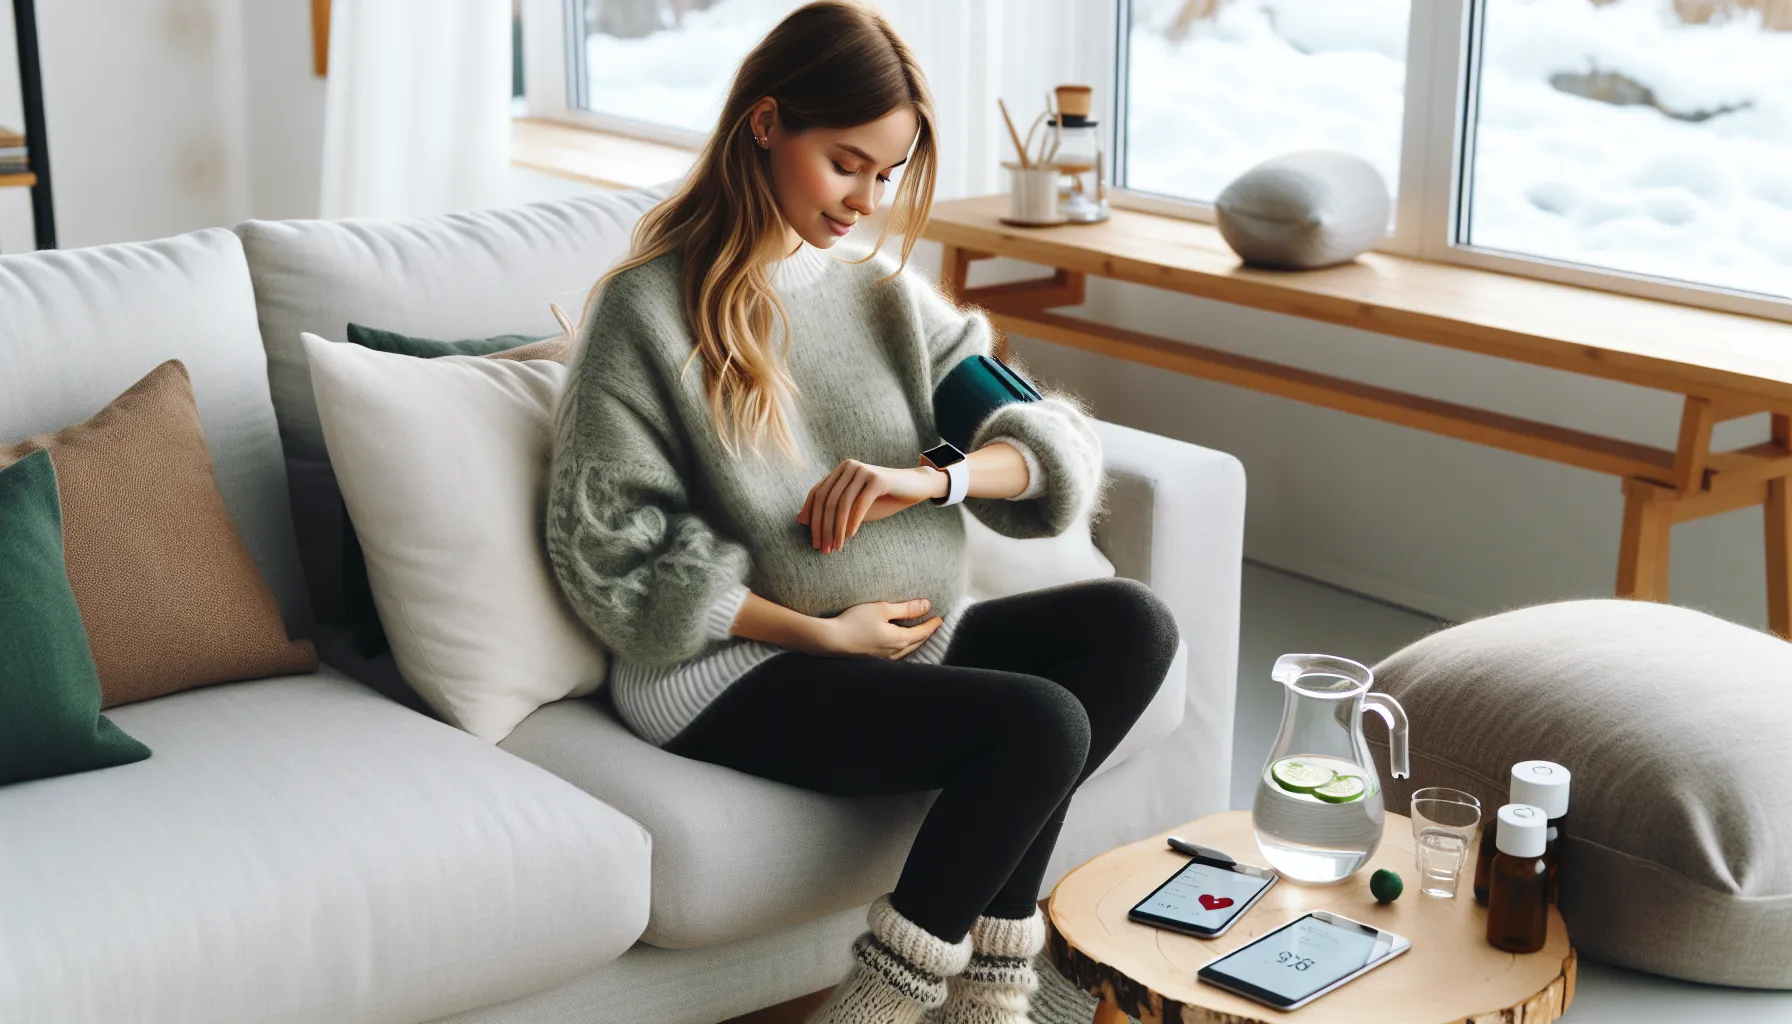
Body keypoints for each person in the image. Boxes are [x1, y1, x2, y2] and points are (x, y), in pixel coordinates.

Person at [545, 3, 1181, 1021]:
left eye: (887, 174)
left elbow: (1052, 442)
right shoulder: (648, 309)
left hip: (894, 644)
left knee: (1132, 625)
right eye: (846, 164)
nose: (866, 200)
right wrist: (817, 632)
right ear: (766, 125)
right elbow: (613, 551)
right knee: (1041, 722)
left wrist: (934, 478)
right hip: (729, 670)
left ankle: (986, 990)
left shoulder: (883, 297)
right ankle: (886, 1003)